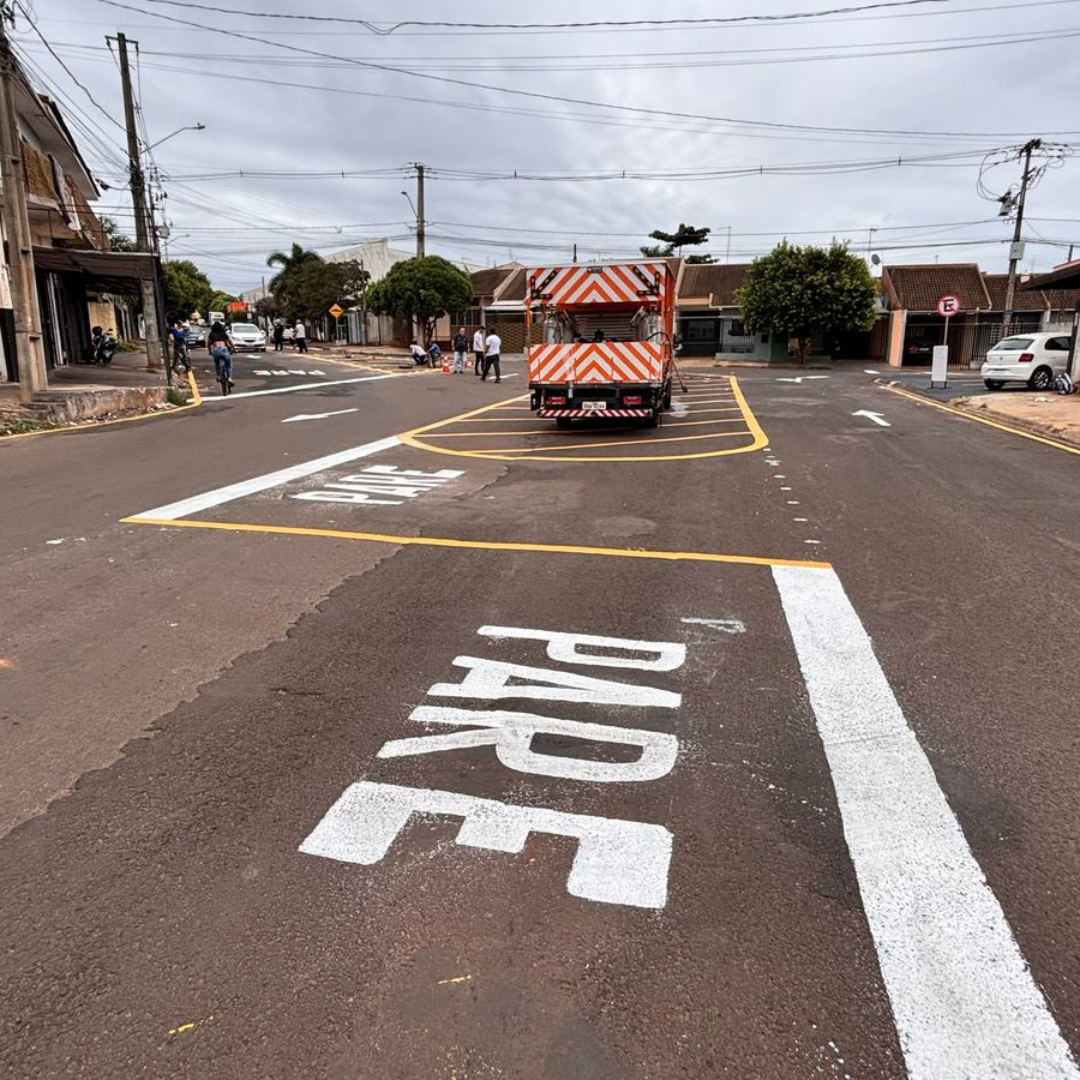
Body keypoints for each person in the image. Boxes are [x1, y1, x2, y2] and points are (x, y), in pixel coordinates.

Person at [207, 321, 235, 391]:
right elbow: (230, 342)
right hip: (224, 350)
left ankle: (219, 376)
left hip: (216, 350)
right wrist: (233, 349)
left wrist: (210, 351)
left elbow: (209, 344)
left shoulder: (212, 334)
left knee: (217, 364)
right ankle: (229, 378)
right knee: (229, 365)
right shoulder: (223, 334)